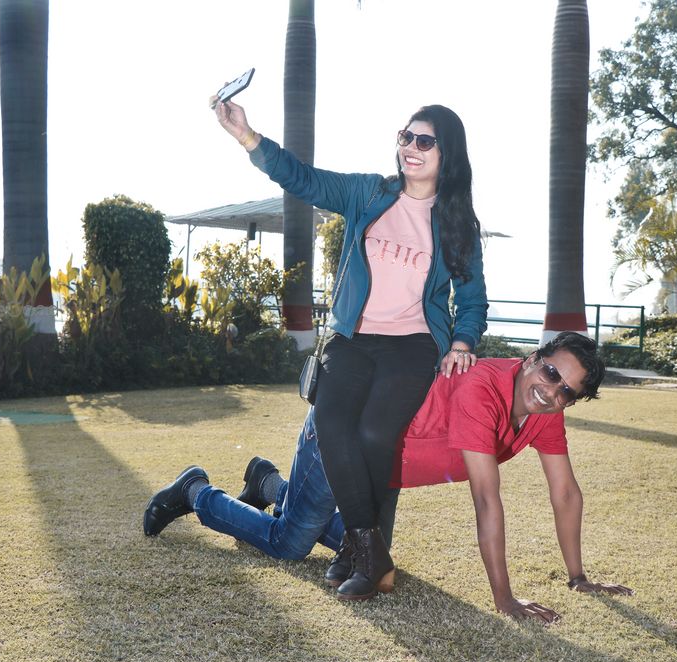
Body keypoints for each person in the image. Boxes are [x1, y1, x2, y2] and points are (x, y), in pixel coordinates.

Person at [144, 332, 633, 622]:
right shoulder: (483, 389)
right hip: (344, 439)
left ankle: (270, 484)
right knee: (290, 543)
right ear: (531, 360)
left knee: (370, 556)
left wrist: (579, 579)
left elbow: (565, 493)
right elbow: (487, 500)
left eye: (567, 391)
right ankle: (197, 491)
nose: (552, 392)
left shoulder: (545, 411)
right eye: (550, 373)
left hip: (381, 472)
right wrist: (503, 599)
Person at [209, 98, 488, 600]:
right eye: (405, 136)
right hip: (351, 338)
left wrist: (463, 341)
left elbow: (470, 298)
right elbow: (306, 179)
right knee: (333, 424)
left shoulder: (457, 223)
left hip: (413, 343)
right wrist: (248, 137)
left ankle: (355, 552)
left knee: (377, 432)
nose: (411, 148)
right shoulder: (368, 193)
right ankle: (367, 551)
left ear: (448, 153)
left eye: (424, 141)